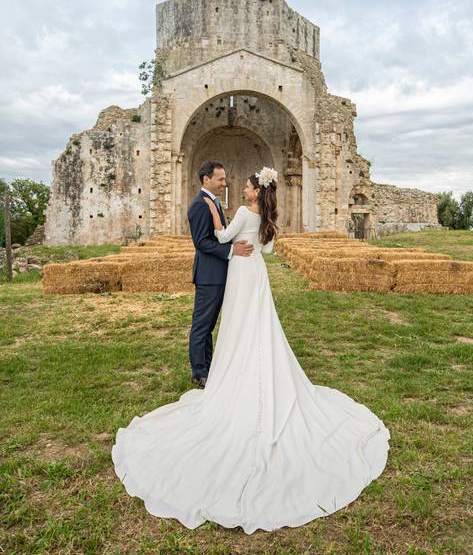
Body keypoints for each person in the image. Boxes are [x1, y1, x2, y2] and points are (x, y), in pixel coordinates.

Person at [112, 166, 390, 534]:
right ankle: (230, 368)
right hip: (255, 270)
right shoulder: (264, 216)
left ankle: (223, 371)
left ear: (256, 192)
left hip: (240, 271)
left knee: (236, 324)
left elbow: (221, 236)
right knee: (255, 325)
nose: (237, 185)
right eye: (229, 180)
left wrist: (216, 217)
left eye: (244, 184)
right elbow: (269, 246)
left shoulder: (242, 212)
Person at [184, 160, 253, 389]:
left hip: (218, 274)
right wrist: (232, 250)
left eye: (225, 179)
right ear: (206, 179)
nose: (225, 183)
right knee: (202, 324)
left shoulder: (212, 203)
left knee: (209, 325)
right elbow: (201, 242)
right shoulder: (199, 205)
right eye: (220, 179)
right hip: (209, 275)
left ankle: (209, 366)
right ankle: (199, 372)